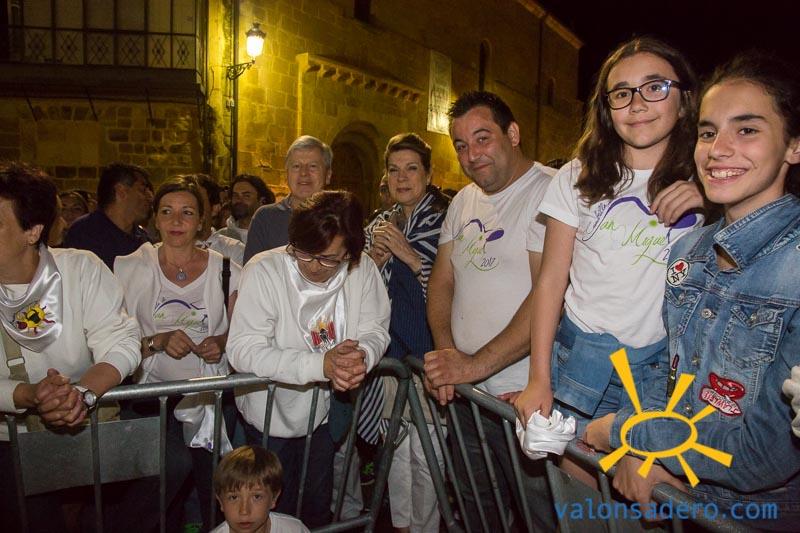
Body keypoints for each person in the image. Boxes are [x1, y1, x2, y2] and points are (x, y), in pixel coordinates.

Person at [584, 50, 800, 530]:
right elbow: (668, 370)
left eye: (747, 130)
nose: (718, 149)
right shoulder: (689, 250)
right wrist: (642, 452)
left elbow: (767, 452)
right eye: (707, 132)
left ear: (793, 146)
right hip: (680, 497)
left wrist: (626, 433)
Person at [513, 37, 705, 487]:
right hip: (580, 363)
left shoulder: (711, 181)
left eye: (654, 87)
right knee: (582, 504)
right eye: (621, 93)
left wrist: (709, 198)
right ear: (605, 107)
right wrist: (539, 377)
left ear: (684, 99)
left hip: (662, 375)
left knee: (649, 501)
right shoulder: (576, 176)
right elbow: (550, 282)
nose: (637, 104)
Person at [422, 91, 556, 531]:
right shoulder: (463, 200)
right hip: (467, 396)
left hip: (523, 400)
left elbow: (548, 296)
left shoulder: (550, 192)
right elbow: (442, 280)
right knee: (478, 510)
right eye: (461, 145)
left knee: (540, 516)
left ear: (512, 133)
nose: (471, 155)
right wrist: (448, 357)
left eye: (483, 139)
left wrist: (473, 365)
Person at [228, 191, 390, 527]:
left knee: (315, 505)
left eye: (329, 259)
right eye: (304, 253)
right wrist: (321, 365)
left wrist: (360, 355)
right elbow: (243, 349)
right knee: (270, 512)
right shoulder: (265, 269)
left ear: (350, 253)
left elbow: (375, 328)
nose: (314, 266)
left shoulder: (361, 269)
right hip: (270, 415)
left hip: (325, 416)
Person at [0, 163, 141, 532]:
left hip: (83, 429)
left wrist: (81, 394)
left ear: (32, 231)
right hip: (9, 442)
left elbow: (121, 341)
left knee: (169, 465)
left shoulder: (80, 269)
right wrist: (31, 395)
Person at [115, 176, 241, 531]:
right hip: (149, 397)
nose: (176, 220)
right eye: (166, 211)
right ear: (155, 218)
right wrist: (157, 341)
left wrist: (222, 342)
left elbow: (244, 329)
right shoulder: (129, 268)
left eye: (187, 212)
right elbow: (112, 339)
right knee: (162, 479)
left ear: (201, 221)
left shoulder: (226, 269)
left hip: (208, 397)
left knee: (213, 486)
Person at [364, 133, 450, 533]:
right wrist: (375, 262)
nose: (402, 178)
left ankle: (425, 527)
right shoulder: (379, 224)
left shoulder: (446, 223)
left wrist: (409, 256)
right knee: (395, 450)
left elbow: (454, 290)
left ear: (428, 174)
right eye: (394, 169)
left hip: (429, 353)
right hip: (392, 352)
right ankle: (401, 525)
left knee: (427, 454)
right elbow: (362, 289)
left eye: (412, 168)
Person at [244, 136, 332, 264]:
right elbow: (251, 270)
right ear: (287, 174)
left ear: (328, 175)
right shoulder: (265, 218)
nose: (304, 173)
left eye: (313, 166)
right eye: (296, 166)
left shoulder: (342, 218)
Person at [63, 162, 153, 271]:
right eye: (142, 190)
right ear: (121, 192)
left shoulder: (143, 239)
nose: (150, 196)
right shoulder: (84, 233)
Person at [212, 445, 310, 533]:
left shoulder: (295, 530)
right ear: (221, 502)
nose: (244, 511)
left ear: (274, 498)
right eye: (233, 497)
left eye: (257, 497)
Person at [190, 174, 246, 266]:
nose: (189, 210)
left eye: (197, 203)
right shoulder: (166, 250)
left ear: (215, 209)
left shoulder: (234, 250)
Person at [215, 174, 274, 246]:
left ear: (262, 201)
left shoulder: (273, 235)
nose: (239, 200)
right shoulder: (221, 238)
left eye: (246, 196)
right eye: (235, 195)